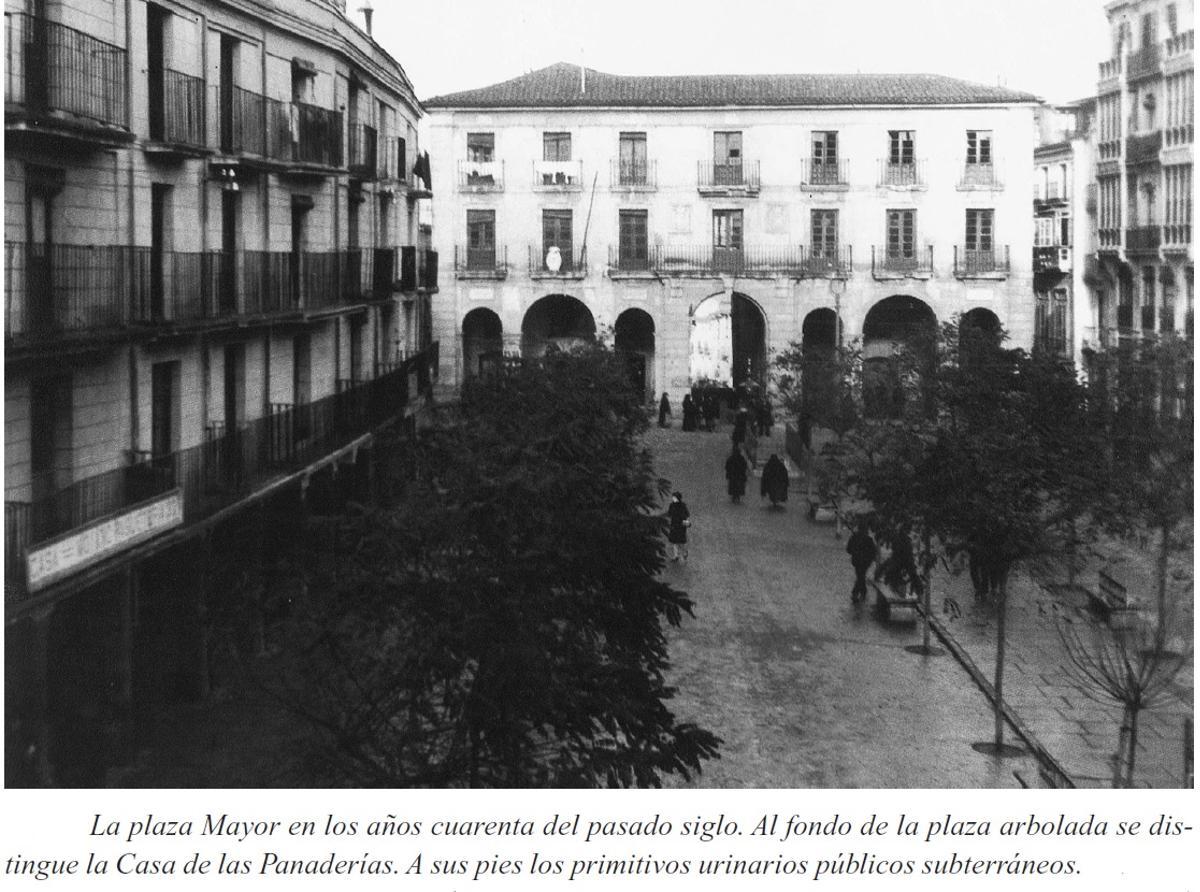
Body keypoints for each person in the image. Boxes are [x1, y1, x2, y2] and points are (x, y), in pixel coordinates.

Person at [875, 528, 920, 597]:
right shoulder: (904, 540)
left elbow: (897, 551)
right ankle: (918, 591)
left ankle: (917, 591)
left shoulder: (898, 539)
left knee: (891, 570)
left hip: (902, 559)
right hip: (905, 559)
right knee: (912, 574)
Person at [846, 520, 878, 603]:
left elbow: (848, 549)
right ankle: (858, 592)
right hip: (865, 562)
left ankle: (859, 592)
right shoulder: (868, 539)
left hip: (857, 561)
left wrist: (854, 551)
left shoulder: (854, 537)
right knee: (861, 576)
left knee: (860, 576)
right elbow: (873, 552)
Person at [666, 491, 691, 562]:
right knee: (674, 542)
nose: (673, 499)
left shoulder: (682, 506)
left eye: (674, 497)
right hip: (674, 525)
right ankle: (676, 556)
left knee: (680, 542)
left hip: (680, 525)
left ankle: (684, 552)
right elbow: (669, 513)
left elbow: (686, 514)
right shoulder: (672, 505)